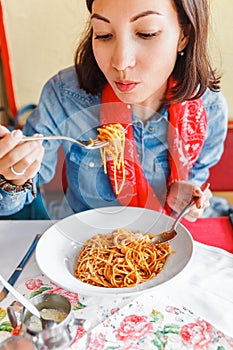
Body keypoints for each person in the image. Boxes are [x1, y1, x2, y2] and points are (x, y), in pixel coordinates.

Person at [0, 0, 228, 220]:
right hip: (84, 242)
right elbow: (15, 201)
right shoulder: (65, 94)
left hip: (169, 239)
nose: (120, 62)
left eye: (146, 33)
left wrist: (184, 196)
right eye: (103, 34)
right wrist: (13, 177)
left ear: (184, 36)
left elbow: (197, 176)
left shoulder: (208, 108)